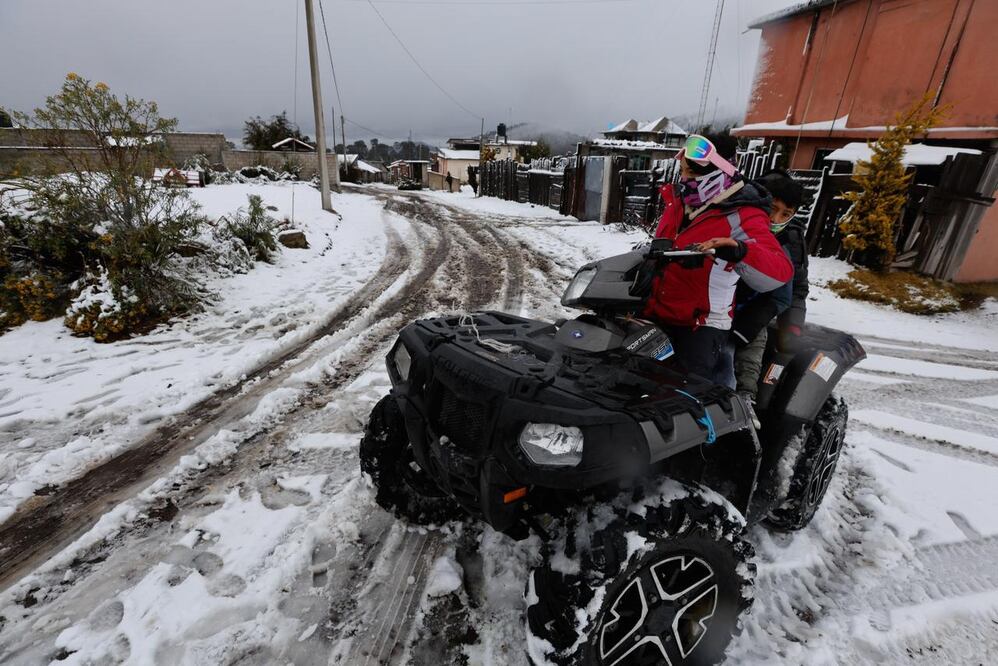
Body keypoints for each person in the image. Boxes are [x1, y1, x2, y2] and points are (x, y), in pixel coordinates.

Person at [643, 134, 793, 388]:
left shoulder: (743, 213)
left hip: (700, 327)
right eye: (682, 171)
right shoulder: (681, 203)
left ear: (718, 171)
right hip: (657, 314)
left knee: (682, 402)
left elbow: (779, 271)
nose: (684, 179)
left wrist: (740, 251)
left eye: (691, 173)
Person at [732, 169, 810, 398]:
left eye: (786, 214)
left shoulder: (791, 240)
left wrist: (792, 326)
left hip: (756, 306)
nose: (776, 219)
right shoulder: (736, 222)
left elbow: (795, 287)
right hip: (717, 302)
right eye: (773, 209)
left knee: (753, 342)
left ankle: (746, 397)